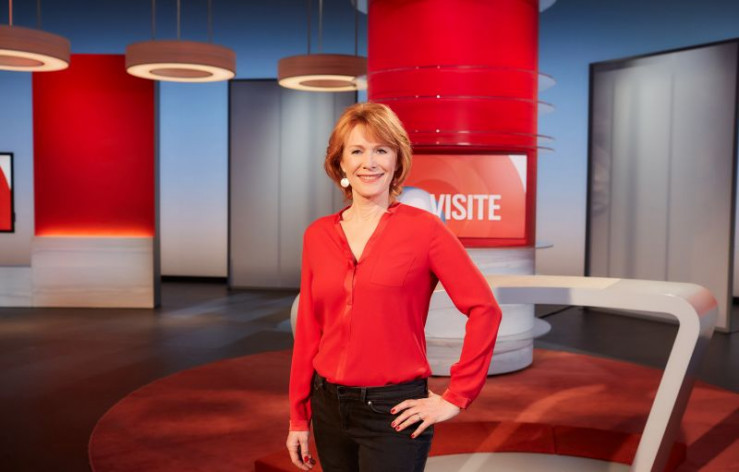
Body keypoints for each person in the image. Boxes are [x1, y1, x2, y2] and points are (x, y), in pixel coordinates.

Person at [286, 102, 502, 472]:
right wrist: (298, 417)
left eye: (381, 150)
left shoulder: (426, 230)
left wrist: (457, 396)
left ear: (397, 160)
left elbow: (485, 309)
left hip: (394, 411)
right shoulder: (317, 235)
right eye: (357, 151)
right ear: (340, 163)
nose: (369, 162)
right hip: (327, 407)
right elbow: (309, 330)